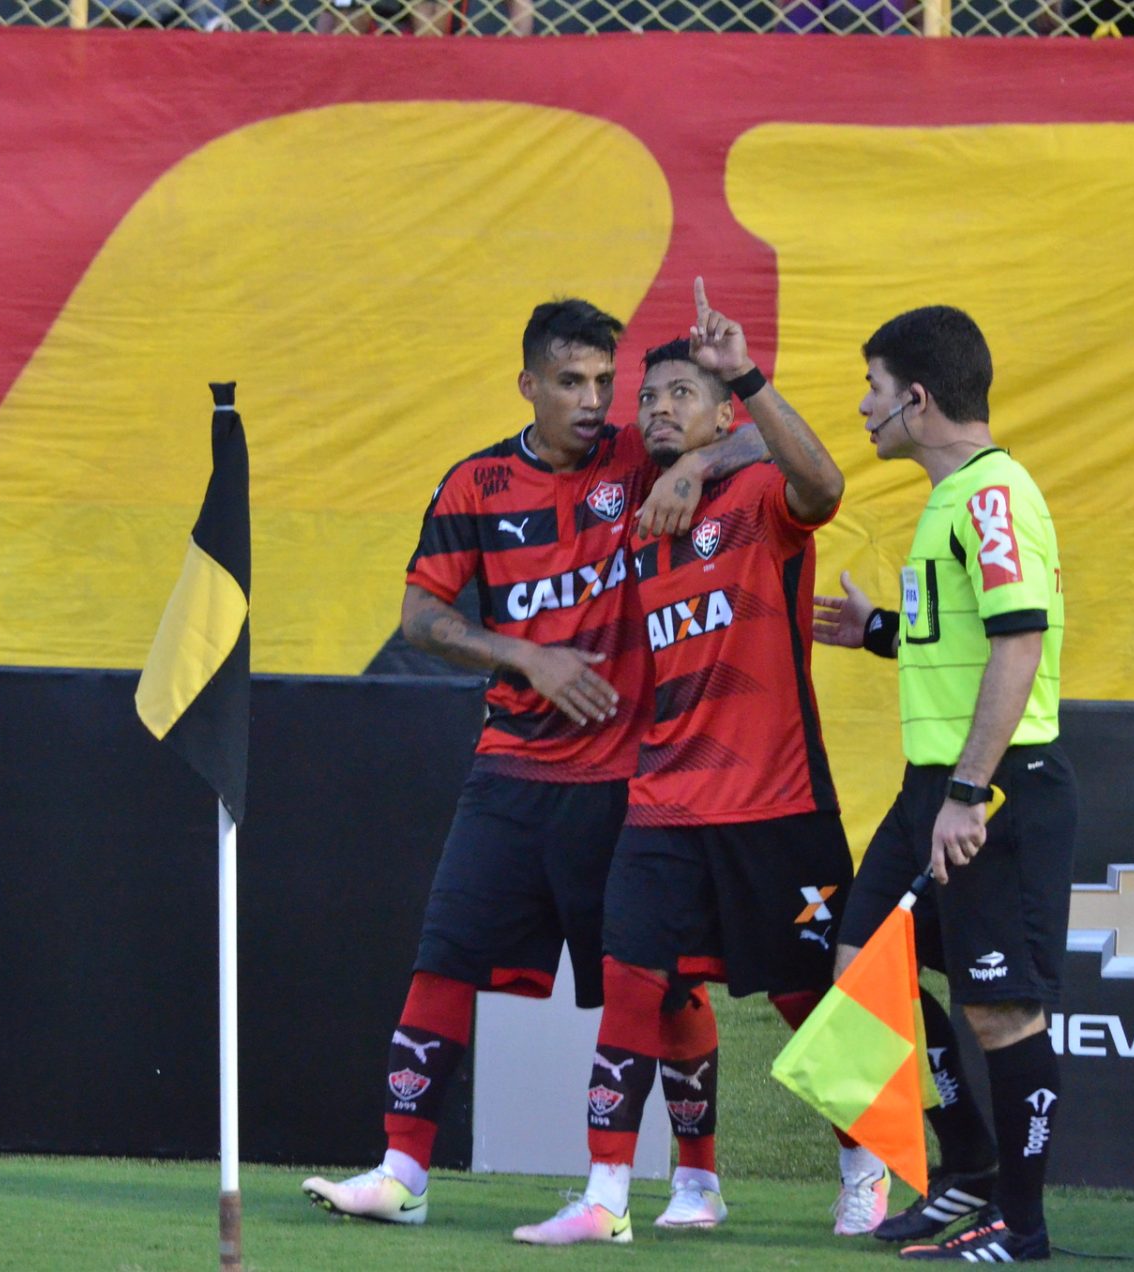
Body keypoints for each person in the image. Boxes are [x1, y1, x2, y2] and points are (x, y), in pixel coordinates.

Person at [301, 298, 768, 1228]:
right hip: (510, 769)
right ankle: (402, 1174)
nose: (594, 401)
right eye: (570, 382)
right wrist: (525, 657)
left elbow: (771, 446)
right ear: (528, 385)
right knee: (443, 959)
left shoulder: (641, 454)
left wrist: (697, 465)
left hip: (632, 777)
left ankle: (698, 1181)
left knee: (663, 983)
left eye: (604, 381)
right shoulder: (475, 485)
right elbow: (420, 618)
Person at [511, 282, 886, 1245]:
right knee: (635, 983)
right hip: (664, 799)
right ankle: (607, 1195)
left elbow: (823, 483)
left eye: (683, 394)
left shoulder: (759, 496)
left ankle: (866, 1165)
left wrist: (738, 393)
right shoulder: (636, 506)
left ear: (722, 413)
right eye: (650, 397)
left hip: (776, 801)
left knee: (813, 1003)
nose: (658, 409)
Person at [814, 306, 1073, 1263]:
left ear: (916, 399)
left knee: (1000, 1009)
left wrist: (968, 793)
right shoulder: (950, 499)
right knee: (861, 972)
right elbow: (966, 639)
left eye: (873, 389)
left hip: (993, 792)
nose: (863, 407)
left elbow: (1020, 643)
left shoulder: (992, 496)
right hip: (933, 787)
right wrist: (882, 631)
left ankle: (1023, 1224)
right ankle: (966, 1168)